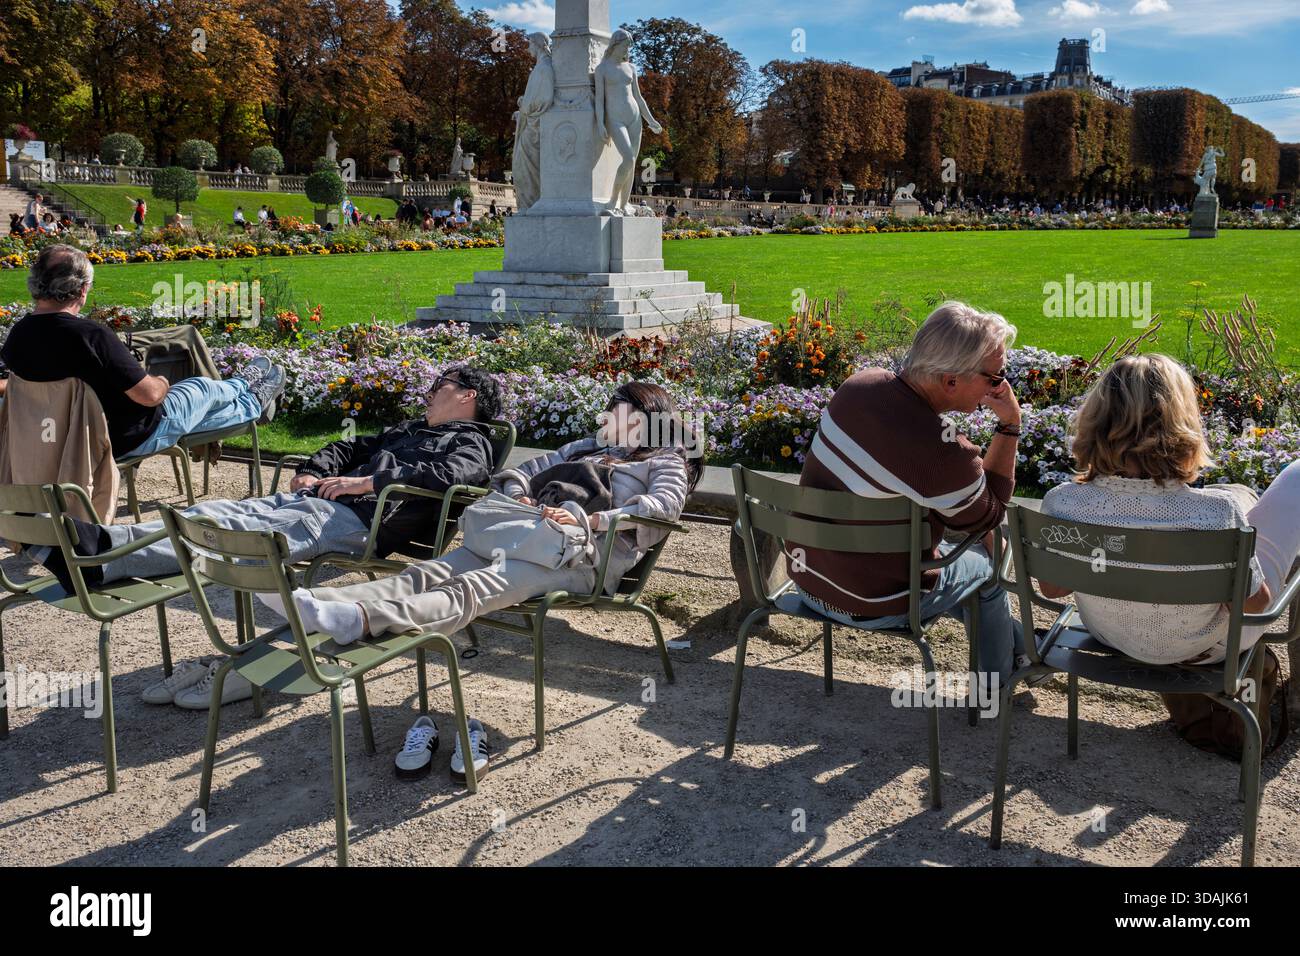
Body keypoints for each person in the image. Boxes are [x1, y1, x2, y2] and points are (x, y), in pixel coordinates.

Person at [257, 380, 696, 782]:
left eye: (615, 411)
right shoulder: (583, 446)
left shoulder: (666, 461)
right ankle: (319, 604)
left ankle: (359, 619)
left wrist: (593, 518)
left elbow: (661, 509)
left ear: (646, 416)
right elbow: (518, 472)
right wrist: (521, 496)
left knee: (473, 589)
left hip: (582, 559)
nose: (605, 419)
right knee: (430, 572)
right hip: (528, 532)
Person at [29, 364, 503, 594]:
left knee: (233, 535)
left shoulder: (473, 442)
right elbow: (349, 447)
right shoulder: (410, 429)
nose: (429, 393)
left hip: (360, 520)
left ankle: (97, 560)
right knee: (214, 513)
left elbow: (451, 475)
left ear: (467, 397)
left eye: (438, 386)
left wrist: (367, 484)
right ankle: (98, 543)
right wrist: (311, 470)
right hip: (323, 502)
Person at [786, 302, 1029, 687]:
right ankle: (1001, 682)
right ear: (950, 381)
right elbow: (990, 515)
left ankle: (1021, 648)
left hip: (810, 579)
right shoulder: (945, 455)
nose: (1000, 387)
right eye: (994, 377)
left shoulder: (858, 387)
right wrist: (1010, 425)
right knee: (988, 564)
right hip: (872, 604)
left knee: (957, 558)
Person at [1036, 354, 1299, 667]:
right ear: (1181, 422)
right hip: (1202, 648)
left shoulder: (1062, 503)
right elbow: (1253, 606)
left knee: (1238, 498)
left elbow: (1053, 589)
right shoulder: (1215, 514)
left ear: (1096, 418)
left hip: (1111, 635)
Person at [3, 244, 285, 469]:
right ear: (81, 289)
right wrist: (161, 381)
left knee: (200, 410)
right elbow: (149, 396)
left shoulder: (17, 337)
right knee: (198, 388)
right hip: (125, 438)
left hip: (59, 444)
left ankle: (247, 393)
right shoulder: (90, 336)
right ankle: (246, 392)